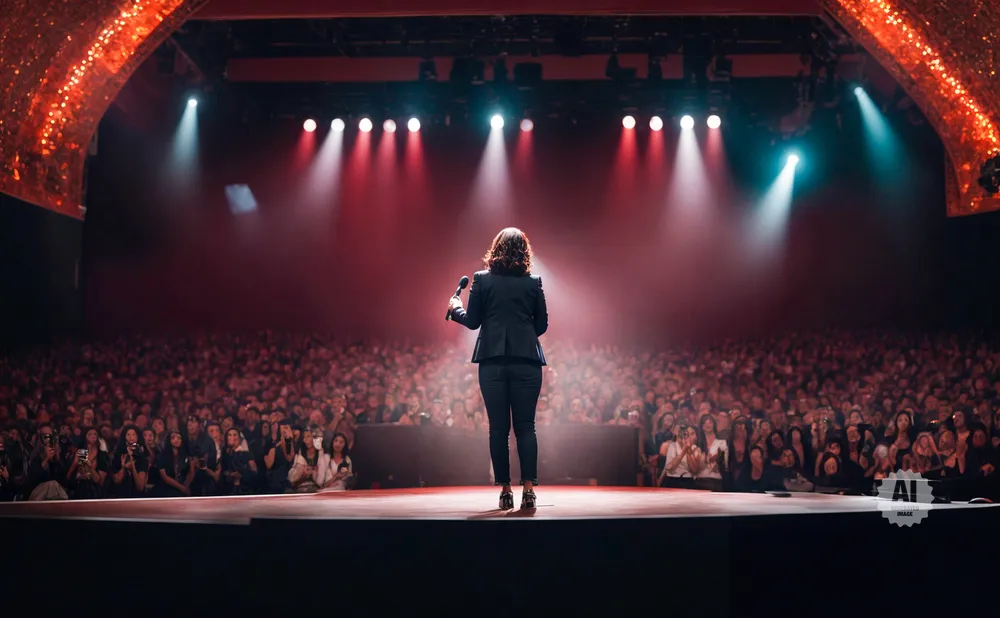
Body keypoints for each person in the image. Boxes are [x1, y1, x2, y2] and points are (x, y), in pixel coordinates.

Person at [448, 227, 548, 510]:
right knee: (526, 427)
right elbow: (541, 325)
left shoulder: (481, 280)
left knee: (498, 429)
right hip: (527, 361)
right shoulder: (534, 282)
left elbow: (473, 322)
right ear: (524, 251)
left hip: (492, 361)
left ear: (496, 248)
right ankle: (529, 490)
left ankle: (505, 490)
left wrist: (455, 307)